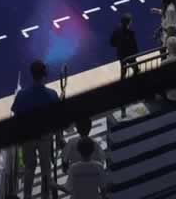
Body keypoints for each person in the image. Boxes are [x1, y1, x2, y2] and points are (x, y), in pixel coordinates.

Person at [10, 61, 60, 199]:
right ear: (44, 74)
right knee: (46, 170)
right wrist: (59, 137)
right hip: (44, 137)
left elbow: (17, 117)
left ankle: (27, 196)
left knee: (29, 169)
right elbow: (57, 120)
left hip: (27, 137)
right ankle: (46, 196)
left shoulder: (21, 95)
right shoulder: (52, 94)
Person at [67, 134, 107, 199]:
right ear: (93, 150)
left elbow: (68, 188)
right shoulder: (99, 166)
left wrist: (53, 184)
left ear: (79, 151)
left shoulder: (74, 168)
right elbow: (103, 189)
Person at [109, 13, 140, 79]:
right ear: (129, 22)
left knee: (123, 70)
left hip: (121, 54)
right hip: (129, 55)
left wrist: (119, 46)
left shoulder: (117, 29)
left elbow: (112, 42)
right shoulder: (130, 32)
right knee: (135, 69)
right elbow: (133, 45)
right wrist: (136, 53)